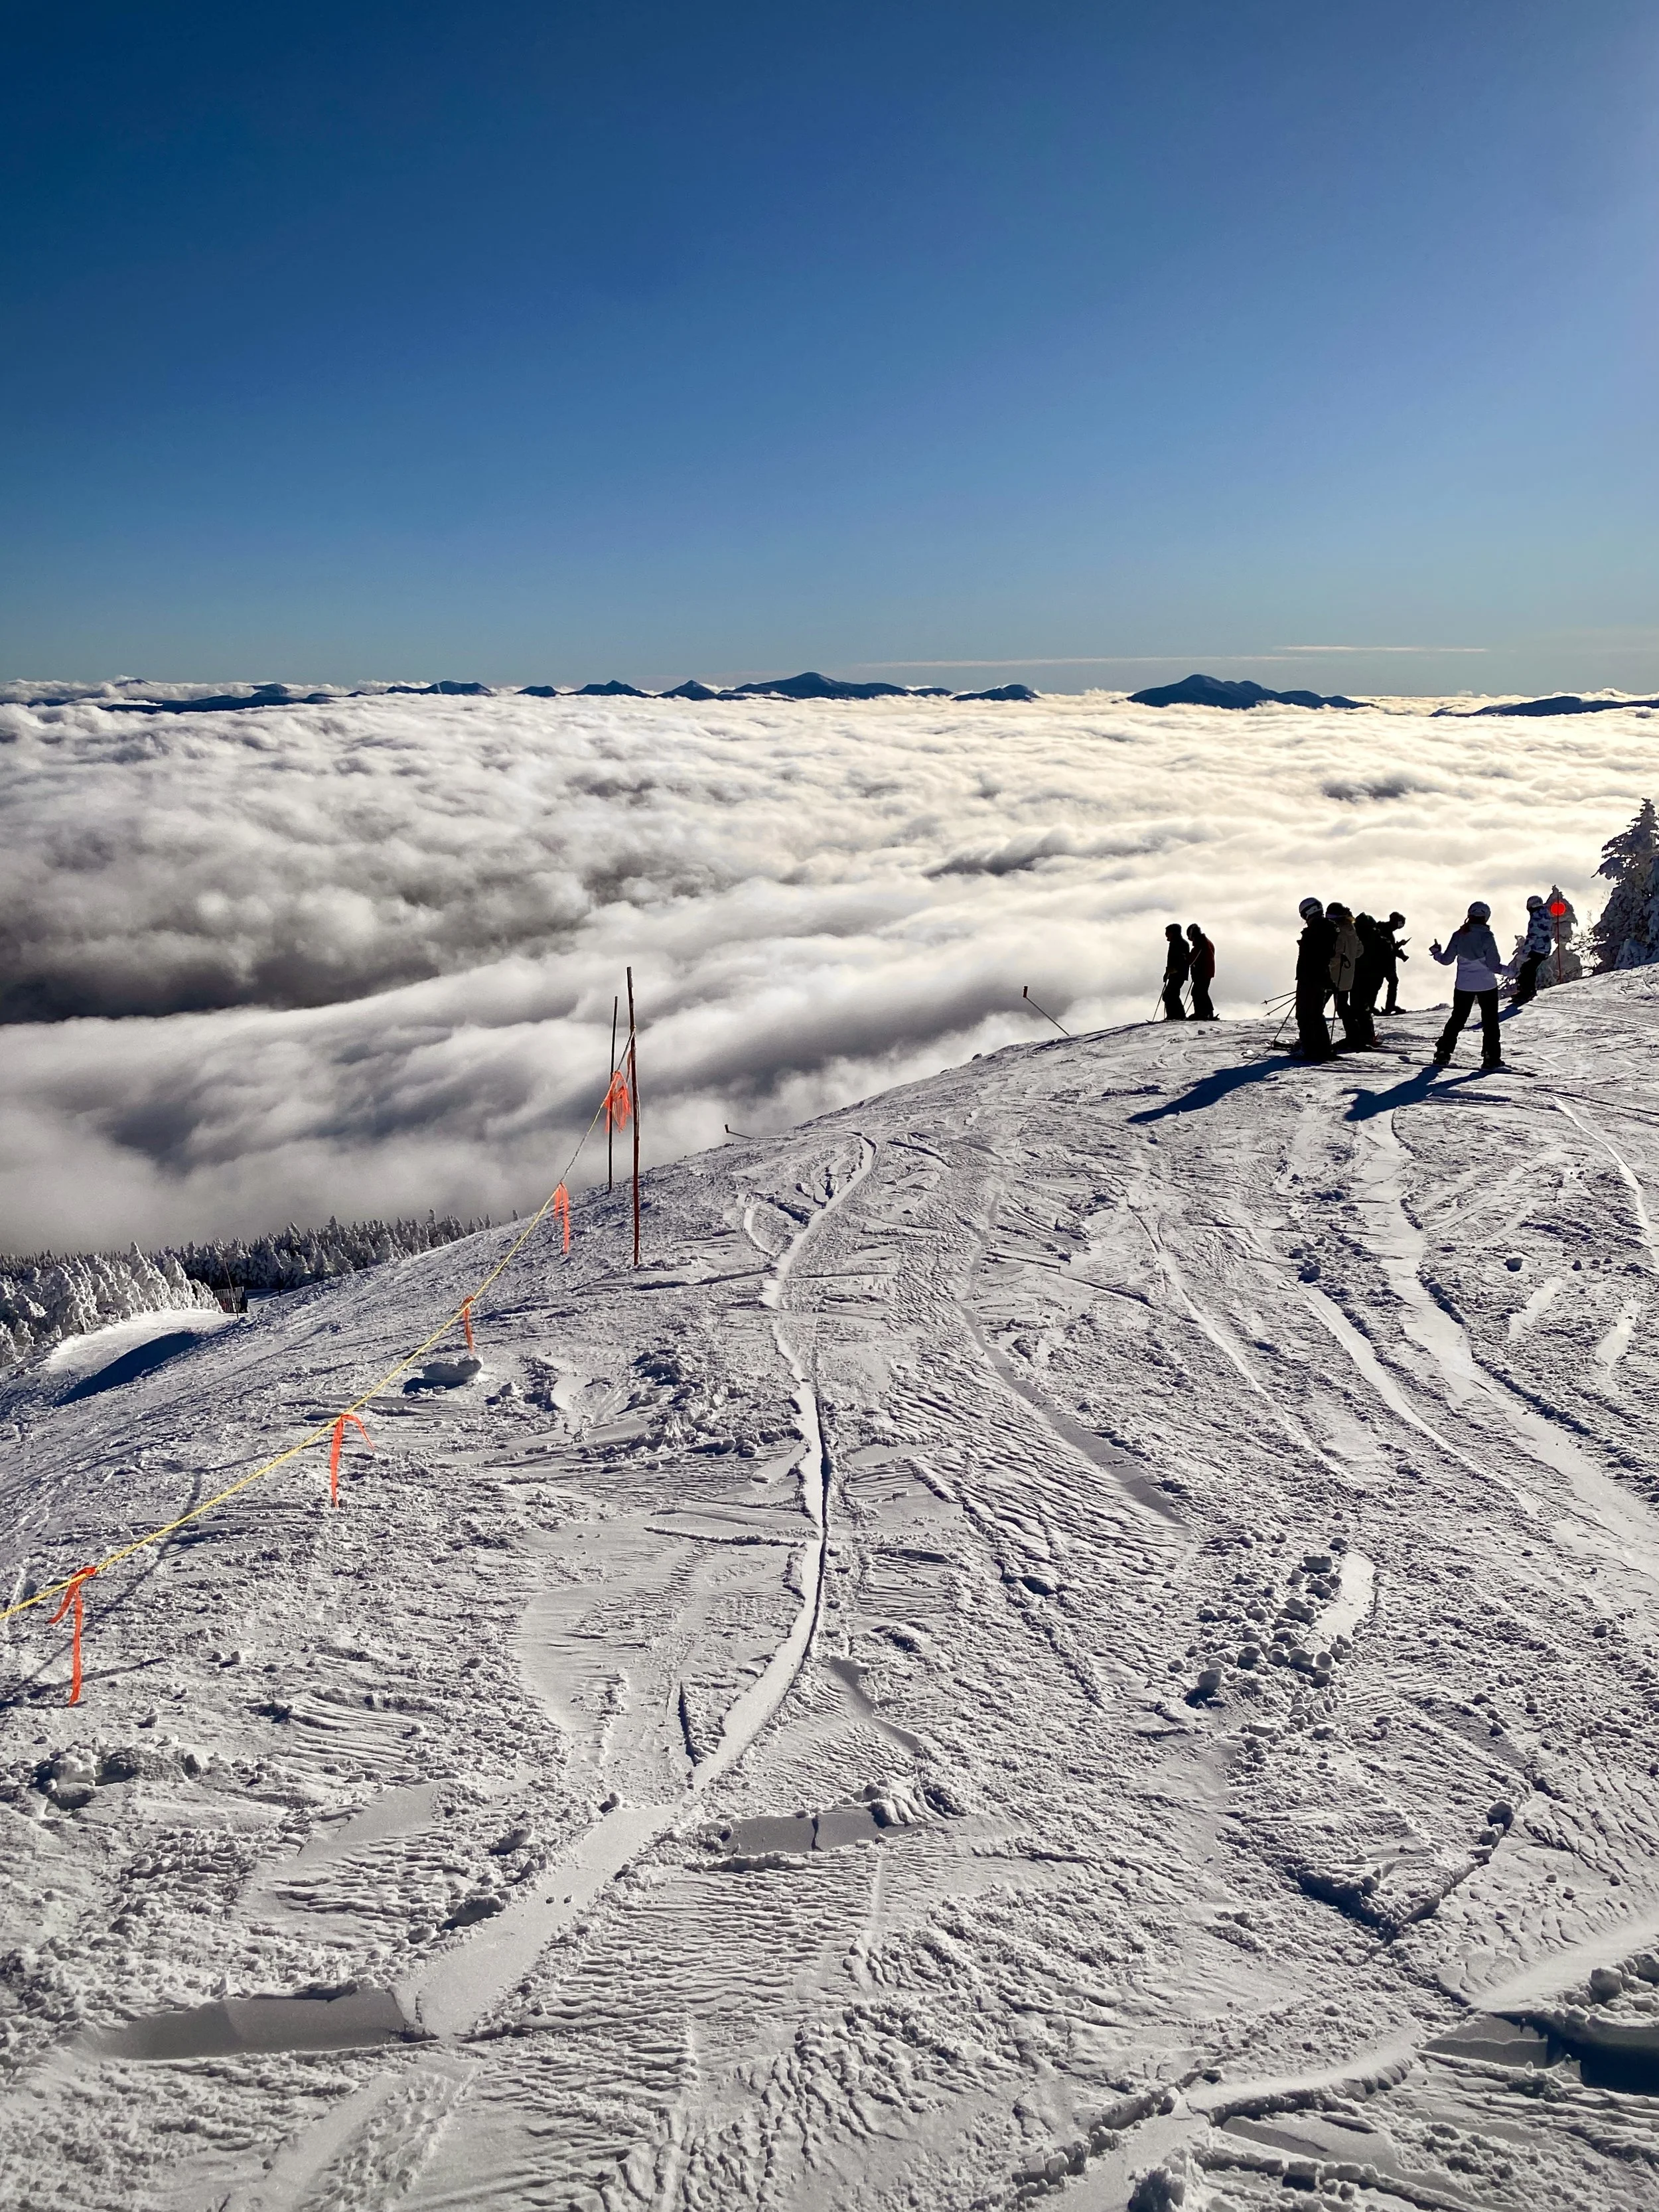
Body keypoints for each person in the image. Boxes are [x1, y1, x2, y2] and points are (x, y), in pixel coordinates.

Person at [1431, 901, 1504, 1069]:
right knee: (1490, 1021)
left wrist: (1436, 953)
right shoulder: (1487, 937)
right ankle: (1491, 1057)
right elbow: (1494, 966)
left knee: (1458, 1018)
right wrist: (1513, 972)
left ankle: (1443, 1053)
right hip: (1487, 985)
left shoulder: (1459, 935)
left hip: (1464, 985)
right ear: (1486, 917)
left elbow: (1446, 960)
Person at [1293, 897, 1336, 1061]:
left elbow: (1311, 957)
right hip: (1321, 975)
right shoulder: (1328, 929)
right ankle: (1323, 1048)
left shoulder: (1314, 930)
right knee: (1316, 1013)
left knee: (1304, 1014)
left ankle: (1310, 1048)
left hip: (1310, 977)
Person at [1326, 901, 1364, 1048]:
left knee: (1316, 1008)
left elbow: (1335, 955)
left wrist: (1325, 966)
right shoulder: (1351, 929)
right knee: (1342, 1006)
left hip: (1332, 977)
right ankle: (1355, 1036)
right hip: (1347, 976)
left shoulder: (1337, 931)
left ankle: (1311, 1038)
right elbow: (1360, 951)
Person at [1348, 913, 1386, 1049]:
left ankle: (1363, 1037)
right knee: (1364, 1008)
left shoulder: (1357, 939)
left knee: (1358, 1007)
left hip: (1358, 978)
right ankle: (1367, 1036)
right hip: (1375, 980)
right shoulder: (1381, 940)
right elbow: (1388, 961)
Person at [1512, 895, 1552, 1004]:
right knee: (1529, 969)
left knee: (1527, 969)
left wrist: (1525, 951)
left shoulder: (1535, 918)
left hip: (1537, 949)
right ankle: (1528, 990)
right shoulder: (1546, 915)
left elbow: (1532, 936)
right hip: (1545, 948)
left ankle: (1527, 992)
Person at [1186, 922, 1216, 1019]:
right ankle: (1206, 1013)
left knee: (1198, 992)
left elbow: (1193, 959)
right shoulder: (1206, 942)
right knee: (1201, 992)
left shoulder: (1201, 943)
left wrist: (1186, 959)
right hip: (1207, 971)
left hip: (1203, 972)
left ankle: (1202, 1013)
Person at [1161, 923, 1190, 1019]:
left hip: (1178, 973)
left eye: (1168, 933)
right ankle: (1177, 1015)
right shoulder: (1178, 943)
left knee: (1170, 994)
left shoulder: (1178, 944)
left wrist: (1173, 970)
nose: (1166, 935)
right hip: (1176, 973)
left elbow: (1181, 960)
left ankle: (1176, 1016)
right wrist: (1168, 973)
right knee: (1172, 994)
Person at [1381, 911, 1408, 1014]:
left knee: (1391, 982)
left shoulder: (1384, 929)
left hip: (1385, 962)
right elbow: (1389, 949)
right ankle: (1389, 1006)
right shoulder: (1386, 931)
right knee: (1390, 982)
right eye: (1401, 924)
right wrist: (1400, 949)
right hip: (1385, 962)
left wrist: (1399, 945)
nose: (1401, 926)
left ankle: (1389, 1006)